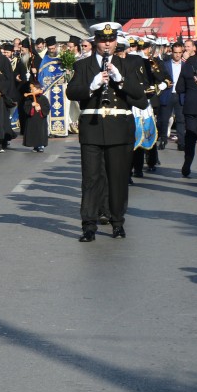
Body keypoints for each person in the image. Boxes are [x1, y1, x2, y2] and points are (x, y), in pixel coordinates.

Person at [65, 22, 146, 242]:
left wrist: (121, 80)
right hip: (92, 127)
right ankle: (88, 225)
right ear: (95, 42)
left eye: (110, 40)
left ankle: (117, 222)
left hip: (120, 128)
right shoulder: (83, 66)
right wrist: (91, 86)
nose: (107, 44)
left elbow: (141, 97)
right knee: (91, 178)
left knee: (118, 178)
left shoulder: (127, 64)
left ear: (116, 41)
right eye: (102, 40)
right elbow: (71, 91)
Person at [176, 39, 197, 177]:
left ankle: (187, 164)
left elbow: (179, 88)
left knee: (190, 136)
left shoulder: (188, 64)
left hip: (191, 105)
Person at [21, 80, 50, 152]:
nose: (32, 90)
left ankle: (41, 145)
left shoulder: (43, 98)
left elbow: (47, 107)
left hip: (40, 119)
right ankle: (35, 146)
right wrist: (31, 105)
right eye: (31, 89)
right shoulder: (29, 98)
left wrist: (40, 108)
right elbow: (25, 108)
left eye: (33, 88)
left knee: (40, 132)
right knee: (33, 132)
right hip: (32, 119)